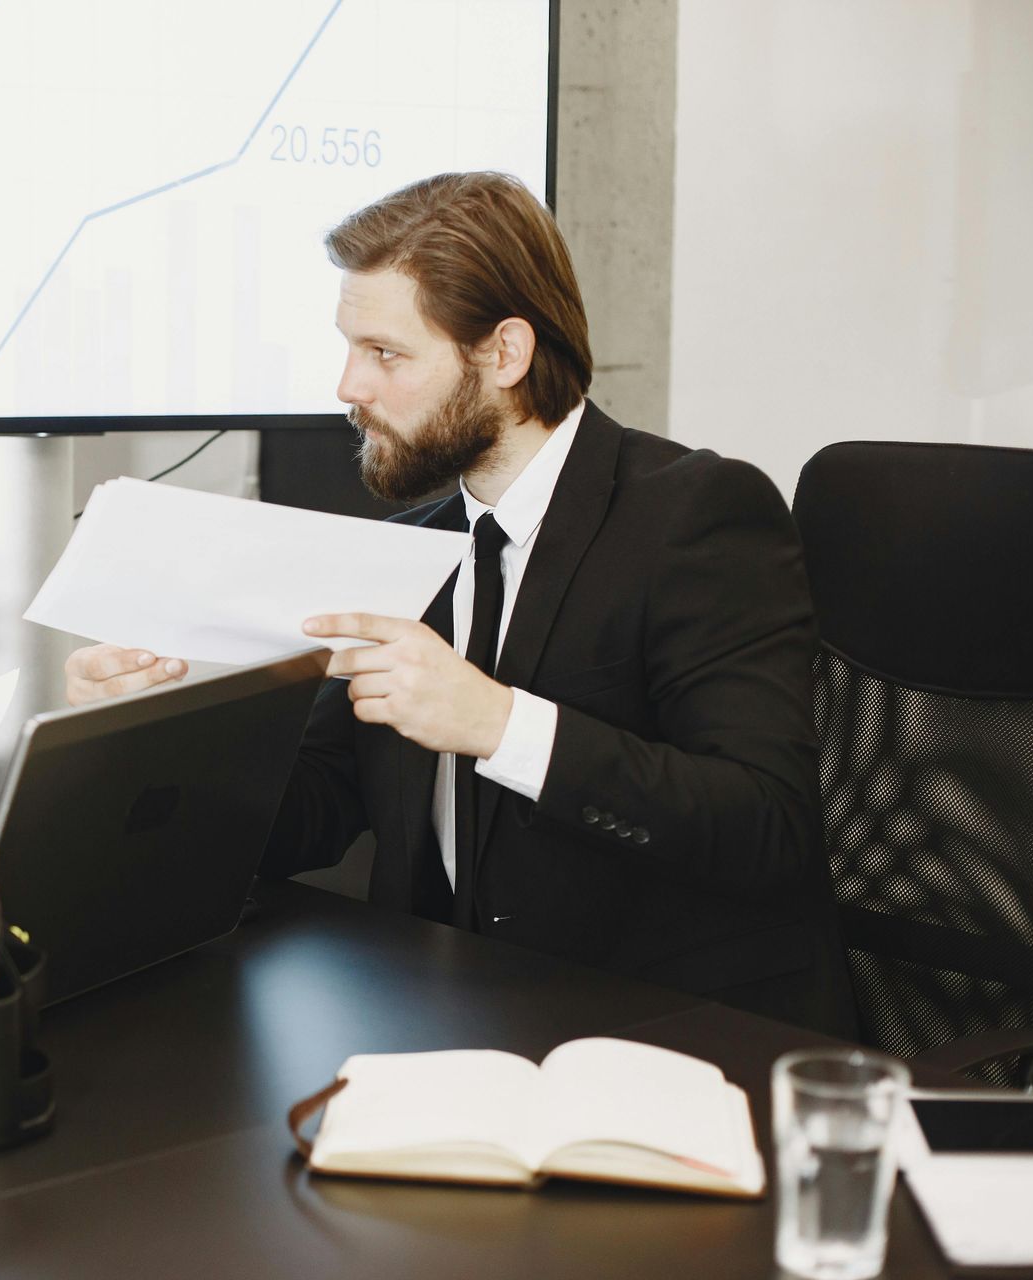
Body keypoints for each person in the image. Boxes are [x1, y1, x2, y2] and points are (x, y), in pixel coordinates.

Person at [67, 173, 853, 1036]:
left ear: (505, 355)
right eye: (350, 348)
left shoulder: (697, 515)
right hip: (445, 1010)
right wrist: (161, 731)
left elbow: (767, 828)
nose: (347, 386)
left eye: (386, 353)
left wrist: (498, 724)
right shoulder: (420, 547)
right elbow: (311, 813)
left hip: (666, 1033)